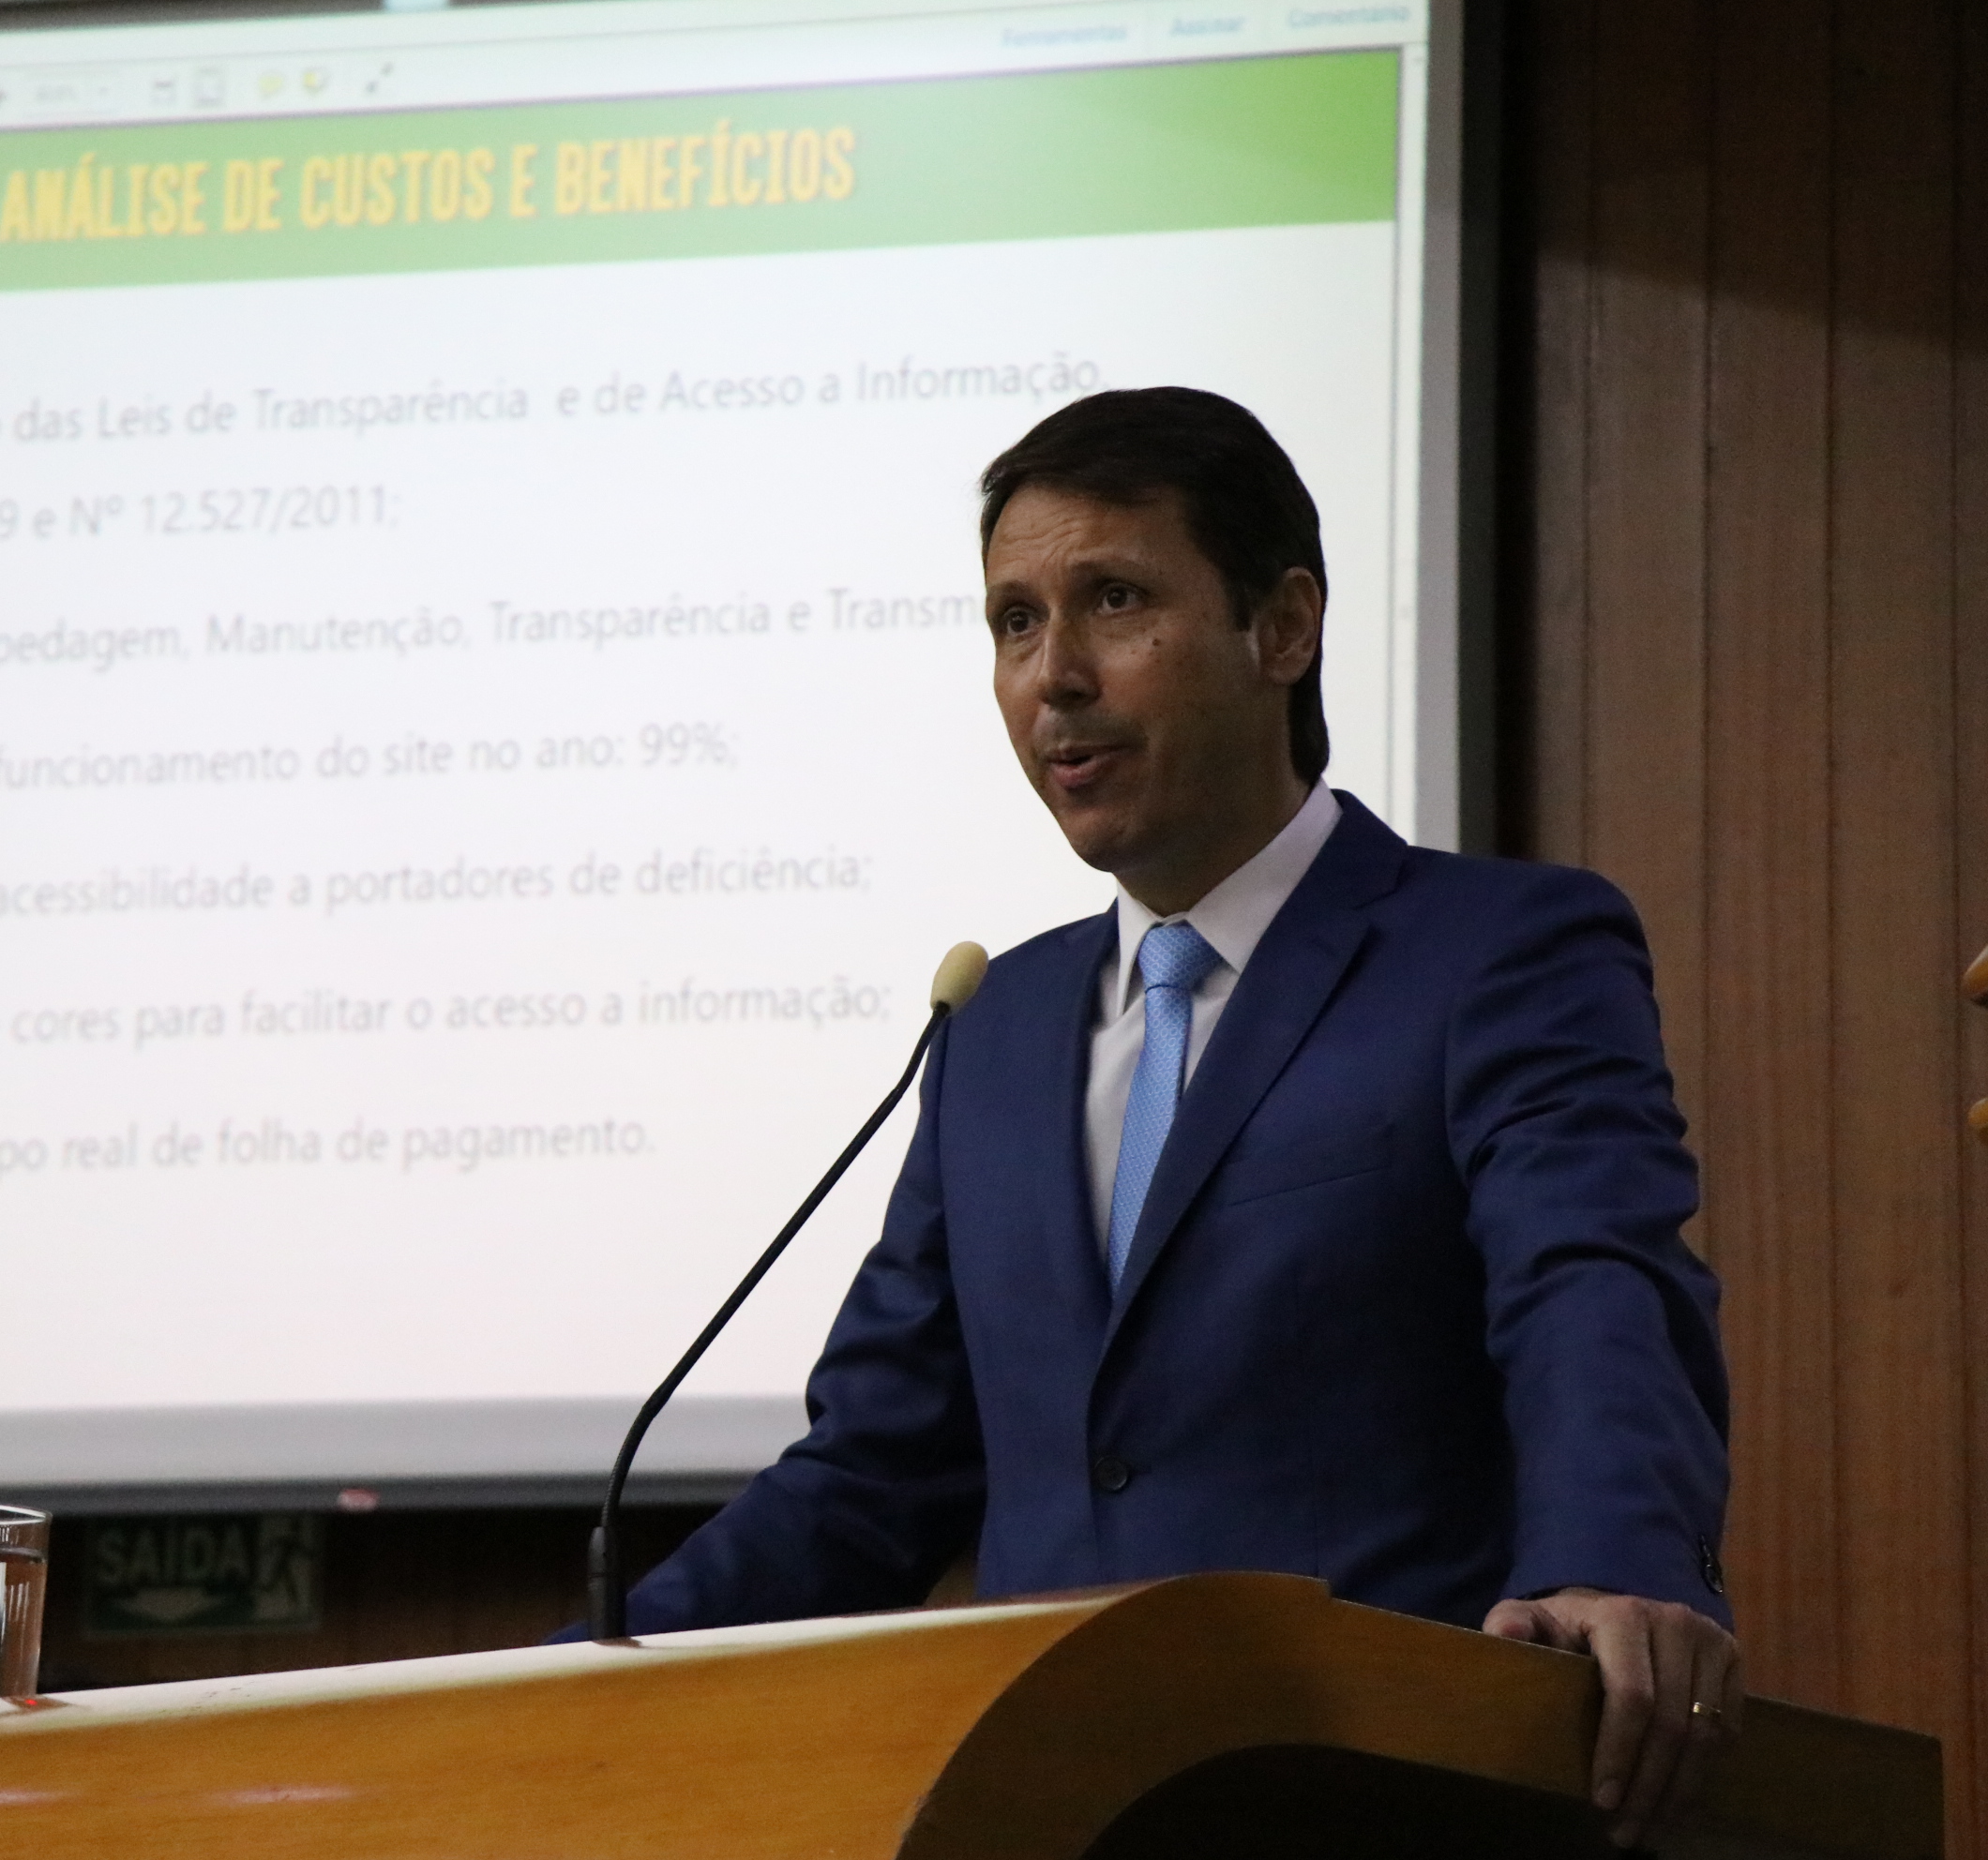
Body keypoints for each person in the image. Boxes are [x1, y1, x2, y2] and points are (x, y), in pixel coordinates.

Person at [594, 387, 1740, 1849]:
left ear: (1285, 627)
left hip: (1389, 1790)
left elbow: (1592, 1279)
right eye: (1015, 623)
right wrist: (586, 1674)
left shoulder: (1495, 953)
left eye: (1115, 601)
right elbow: (880, 1464)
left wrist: (1611, 1560)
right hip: (1044, 1811)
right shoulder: (994, 1026)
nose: (1055, 677)